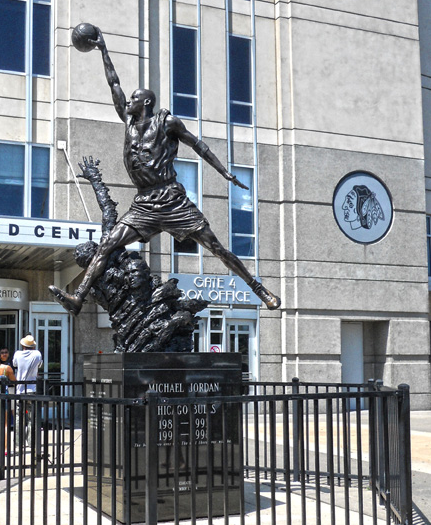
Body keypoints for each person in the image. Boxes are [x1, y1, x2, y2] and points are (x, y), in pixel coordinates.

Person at [49, 26, 281, 316]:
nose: (128, 102)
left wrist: (224, 173)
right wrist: (104, 50)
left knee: (216, 248)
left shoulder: (168, 123)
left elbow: (199, 146)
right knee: (107, 244)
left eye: (134, 99)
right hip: (145, 203)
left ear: (146, 102)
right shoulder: (129, 122)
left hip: (171, 200)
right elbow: (114, 83)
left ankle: (260, 291)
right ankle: (78, 298)